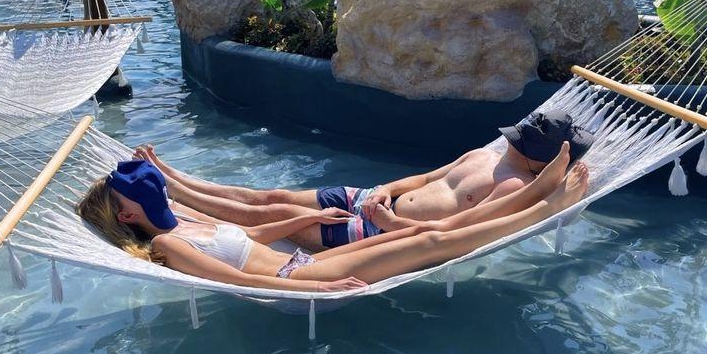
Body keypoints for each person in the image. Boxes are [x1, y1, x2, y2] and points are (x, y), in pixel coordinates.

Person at [76, 145, 589, 293]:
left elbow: (252, 233)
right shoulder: (166, 246)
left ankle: (537, 197)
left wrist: (314, 215)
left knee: (426, 230)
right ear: (128, 214)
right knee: (431, 243)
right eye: (131, 194)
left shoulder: (178, 225)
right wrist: (317, 288)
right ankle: (544, 207)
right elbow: (239, 280)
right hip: (297, 276)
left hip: (300, 260)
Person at [132, 109, 593, 252]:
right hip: (371, 199)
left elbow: (457, 232)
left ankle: (175, 193)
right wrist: (387, 191)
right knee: (272, 196)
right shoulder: (483, 154)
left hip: (381, 231)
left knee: (276, 214)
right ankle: (178, 180)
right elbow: (425, 177)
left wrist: (390, 222)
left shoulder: (515, 187)